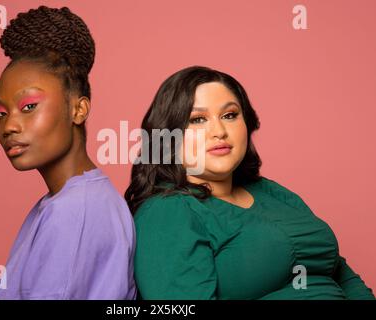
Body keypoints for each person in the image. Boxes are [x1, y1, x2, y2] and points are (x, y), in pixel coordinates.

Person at [125, 65, 375, 300]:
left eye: (230, 115)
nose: (219, 131)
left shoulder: (272, 192)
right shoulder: (167, 213)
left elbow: (340, 271)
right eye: (198, 119)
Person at [0, 6, 136, 300]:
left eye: (29, 106)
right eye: (0, 113)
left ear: (78, 109)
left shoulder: (73, 212)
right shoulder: (69, 201)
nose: (9, 126)